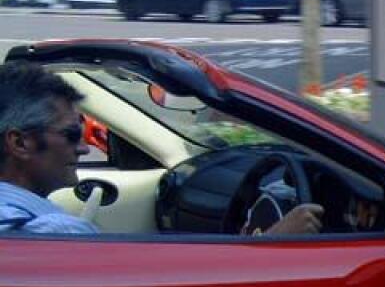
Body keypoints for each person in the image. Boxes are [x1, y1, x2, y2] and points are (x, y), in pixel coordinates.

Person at [0, 61, 322, 235]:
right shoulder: (55, 234)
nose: (84, 148)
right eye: (72, 134)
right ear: (20, 143)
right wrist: (271, 246)